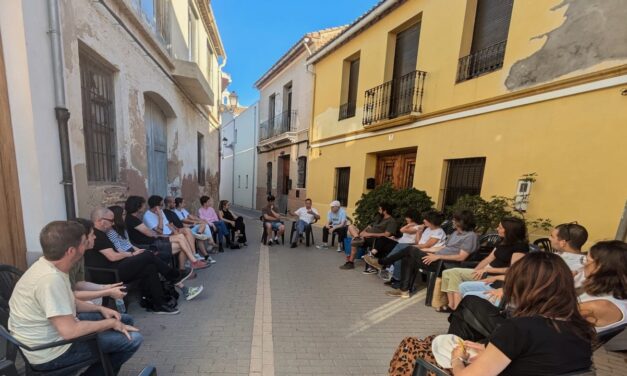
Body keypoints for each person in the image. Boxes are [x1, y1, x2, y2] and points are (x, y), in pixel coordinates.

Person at [391, 251, 594, 376]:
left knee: (412, 346)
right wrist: (488, 351)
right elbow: (535, 360)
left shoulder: (520, 329)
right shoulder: (580, 327)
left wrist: (457, 359)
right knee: (430, 341)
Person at [8, 221, 143, 374]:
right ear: (71, 251)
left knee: (125, 321)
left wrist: (99, 308)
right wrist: (109, 323)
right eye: (85, 242)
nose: (89, 244)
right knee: (133, 339)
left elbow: (70, 301)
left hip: (53, 336)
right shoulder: (50, 279)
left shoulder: (51, 266)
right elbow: (70, 331)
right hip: (51, 353)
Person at [459, 222, 589, 307]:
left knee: (469, 297)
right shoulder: (560, 258)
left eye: (552, 236)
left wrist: (506, 291)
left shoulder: (568, 265)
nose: (549, 238)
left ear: (563, 242)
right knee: (465, 288)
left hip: (525, 302)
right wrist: (499, 279)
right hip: (515, 291)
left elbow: (540, 287)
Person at [88, 207, 184, 314]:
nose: (113, 223)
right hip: (109, 273)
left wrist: (133, 254)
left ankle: (159, 304)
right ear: (101, 221)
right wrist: (132, 254)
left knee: (150, 267)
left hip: (115, 268)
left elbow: (116, 252)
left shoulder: (101, 233)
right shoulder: (96, 235)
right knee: (147, 255)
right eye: (111, 221)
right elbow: (113, 257)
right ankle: (174, 276)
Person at [370, 210, 478, 298]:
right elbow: (445, 247)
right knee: (408, 257)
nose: (452, 222)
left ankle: (382, 262)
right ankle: (404, 291)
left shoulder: (470, 236)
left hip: (445, 264)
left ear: (462, 222)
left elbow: (461, 257)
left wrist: (438, 256)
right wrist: (430, 251)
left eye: (455, 220)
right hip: (437, 258)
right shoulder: (456, 233)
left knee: (410, 250)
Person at [107, 206, 205, 301]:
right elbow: (119, 250)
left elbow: (130, 244)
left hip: (134, 252)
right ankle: (178, 279)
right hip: (127, 257)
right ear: (117, 216)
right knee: (154, 258)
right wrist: (135, 253)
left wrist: (138, 250)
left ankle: (182, 286)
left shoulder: (122, 229)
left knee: (158, 257)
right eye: (123, 214)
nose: (125, 216)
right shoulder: (111, 232)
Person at [438, 217, 529, 311]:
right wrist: (476, 270)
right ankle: (452, 305)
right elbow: (489, 258)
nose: (497, 229)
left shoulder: (519, 248)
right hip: (486, 272)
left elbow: (513, 270)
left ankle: (456, 309)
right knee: (448, 272)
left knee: (454, 273)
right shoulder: (503, 241)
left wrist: (487, 270)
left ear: (509, 231)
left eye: (500, 227)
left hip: (494, 276)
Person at [124, 196, 208, 271]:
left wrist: (173, 231)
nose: (144, 206)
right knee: (182, 242)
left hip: (156, 238)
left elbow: (160, 228)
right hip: (151, 243)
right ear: (137, 206)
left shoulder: (134, 218)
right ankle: (190, 264)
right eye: (161, 205)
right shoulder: (133, 219)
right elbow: (153, 233)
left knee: (183, 236)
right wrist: (160, 217)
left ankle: (193, 260)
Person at [377, 210, 447, 288]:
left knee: (403, 248)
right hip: (421, 250)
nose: (423, 220)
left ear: (431, 221)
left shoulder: (439, 232)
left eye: (426, 219)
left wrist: (411, 247)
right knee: (401, 250)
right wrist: (419, 232)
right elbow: (418, 242)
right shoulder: (428, 229)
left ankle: (386, 262)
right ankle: (396, 278)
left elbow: (426, 245)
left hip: (428, 255)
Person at [69, 218, 128, 306]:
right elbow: (68, 295)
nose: (95, 237)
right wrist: (106, 292)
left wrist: (104, 287)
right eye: (92, 234)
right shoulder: (64, 262)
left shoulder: (80, 256)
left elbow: (78, 283)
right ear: (83, 238)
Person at [579, 240, 627, 333]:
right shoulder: (618, 293)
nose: (584, 264)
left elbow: (548, 316)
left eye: (587, 260)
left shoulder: (597, 306)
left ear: (599, 267)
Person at [340, 202, 398, 270]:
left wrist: (369, 234)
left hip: (373, 239)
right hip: (364, 235)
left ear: (385, 211)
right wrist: (363, 232)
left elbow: (386, 234)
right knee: (350, 226)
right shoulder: (379, 218)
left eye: (380, 209)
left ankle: (350, 262)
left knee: (355, 242)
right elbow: (369, 226)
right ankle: (357, 238)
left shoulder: (391, 221)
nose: (378, 211)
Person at [163, 197, 216, 262]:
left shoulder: (173, 212)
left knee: (202, 227)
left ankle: (203, 254)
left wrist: (193, 223)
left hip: (185, 228)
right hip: (182, 230)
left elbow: (182, 222)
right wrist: (178, 230)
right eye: (173, 202)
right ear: (168, 204)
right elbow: (172, 225)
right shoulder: (166, 212)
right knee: (198, 236)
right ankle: (204, 256)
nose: (175, 204)